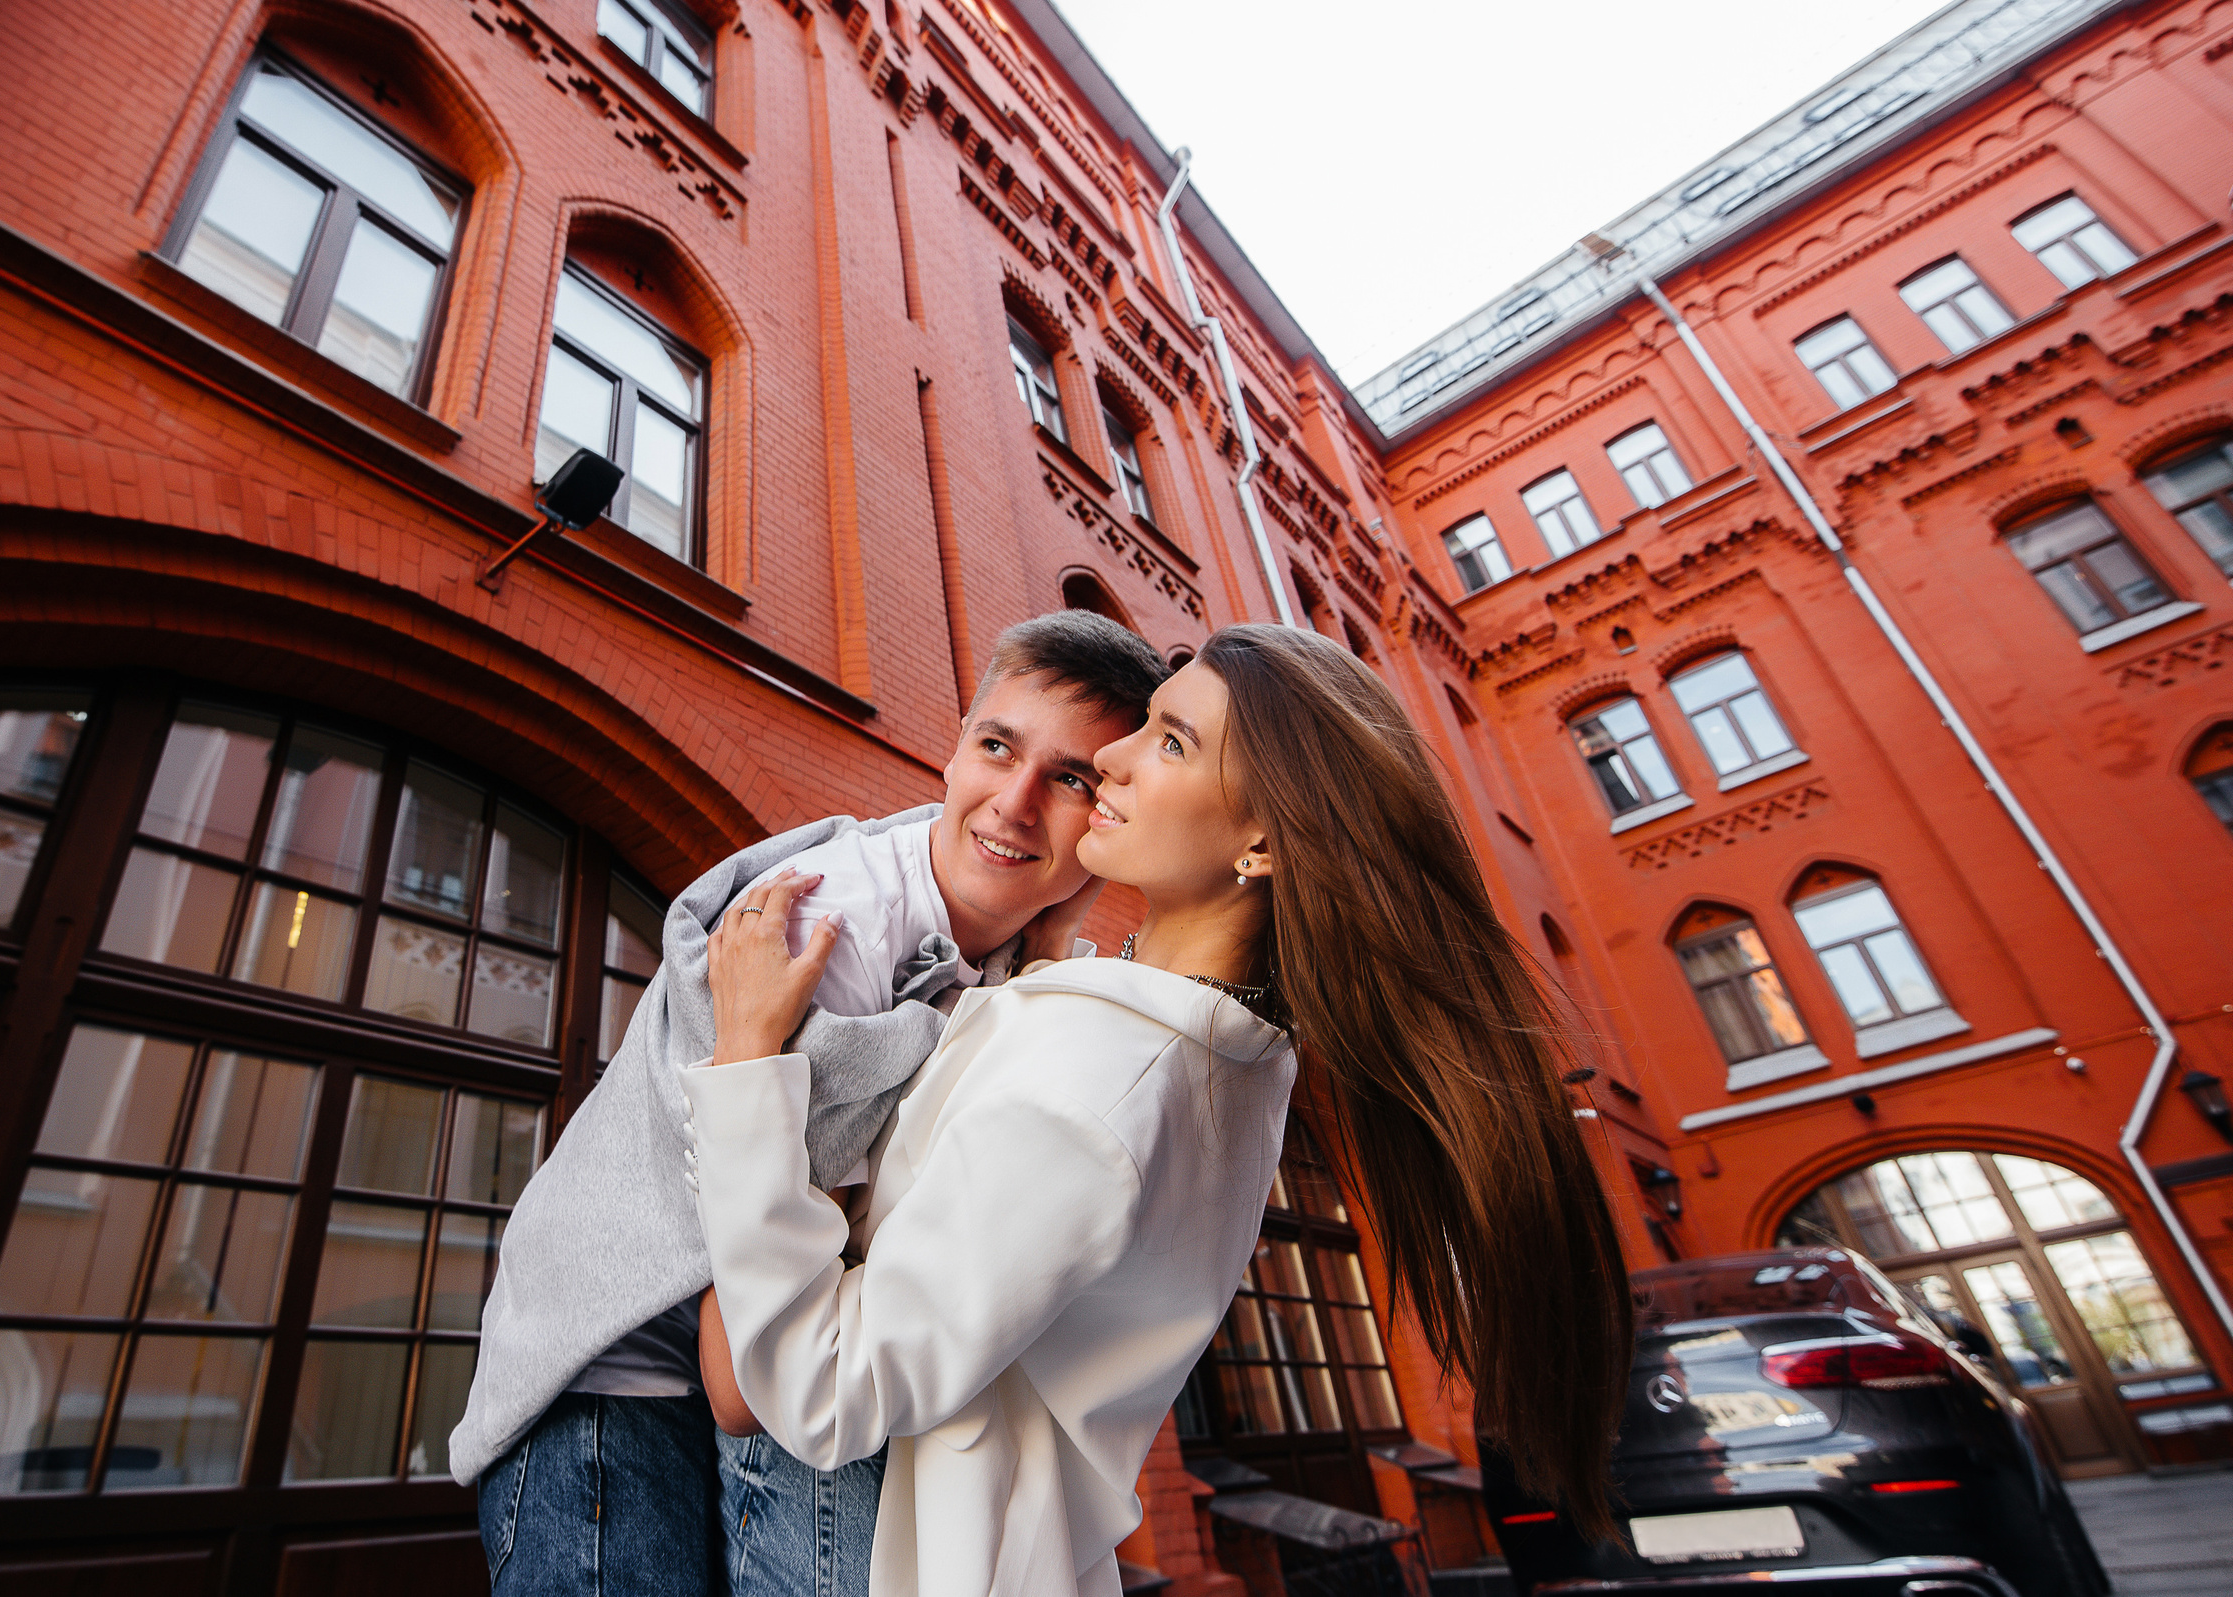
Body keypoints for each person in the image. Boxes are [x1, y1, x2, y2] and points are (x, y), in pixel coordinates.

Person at [687, 624, 1633, 1596]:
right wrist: (1044, 965)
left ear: (1262, 842)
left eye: (1170, 741)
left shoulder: (1102, 1082)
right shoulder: (1225, 1051)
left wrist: (749, 1060)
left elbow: (817, 1386)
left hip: (874, 1543)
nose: (1109, 755)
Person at [451, 613, 1168, 1597]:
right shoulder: (829, 934)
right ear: (954, 749)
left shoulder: (1004, 952)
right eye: (995, 746)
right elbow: (749, 1374)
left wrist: (1051, 929)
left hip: (746, 1367)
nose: (1012, 802)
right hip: (611, 1361)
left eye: (1073, 777)